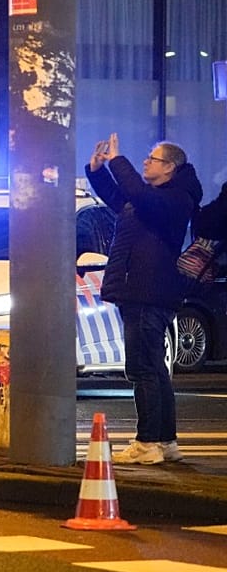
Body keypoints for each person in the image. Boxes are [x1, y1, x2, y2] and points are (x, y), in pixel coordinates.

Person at [86, 133, 200, 464]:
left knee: (143, 368)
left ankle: (149, 441)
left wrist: (118, 161)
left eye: (152, 159)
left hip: (148, 292)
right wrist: (98, 171)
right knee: (151, 368)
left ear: (170, 168)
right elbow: (121, 198)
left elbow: (136, 194)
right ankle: (164, 441)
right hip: (140, 291)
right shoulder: (153, 199)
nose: (145, 162)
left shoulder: (175, 199)